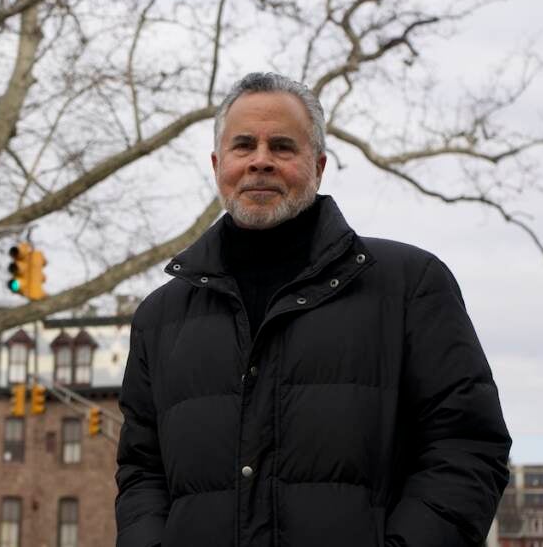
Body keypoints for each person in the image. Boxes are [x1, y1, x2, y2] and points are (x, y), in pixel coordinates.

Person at [115, 72, 511, 547]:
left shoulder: (412, 287)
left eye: (282, 146)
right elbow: (141, 471)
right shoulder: (160, 317)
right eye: (244, 146)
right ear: (218, 164)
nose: (260, 161)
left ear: (318, 166)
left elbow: (467, 447)